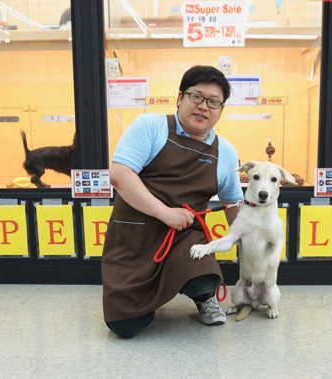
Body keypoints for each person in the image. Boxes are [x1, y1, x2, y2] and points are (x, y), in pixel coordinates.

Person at [102, 65, 243, 338]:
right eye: (196, 97)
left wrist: (251, 241)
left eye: (213, 102)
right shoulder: (150, 126)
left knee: (204, 276)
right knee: (124, 327)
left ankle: (203, 296)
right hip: (136, 236)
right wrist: (165, 212)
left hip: (184, 237)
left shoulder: (225, 151)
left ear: (221, 110)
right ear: (180, 98)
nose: (204, 107)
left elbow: (234, 203)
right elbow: (120, 175)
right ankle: (145, 301)